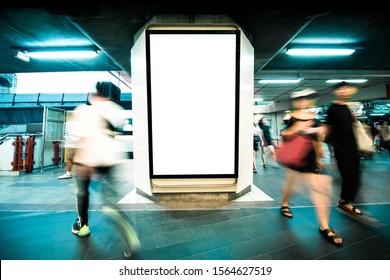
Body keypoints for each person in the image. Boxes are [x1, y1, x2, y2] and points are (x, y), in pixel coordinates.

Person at [69, 82, 140, 257]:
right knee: (109, 198)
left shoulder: (84, 110)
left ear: (94, 93)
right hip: (110, 159)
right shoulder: (114, 108)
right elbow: (117, 131)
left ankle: (83, 226)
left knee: (82, 193)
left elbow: (80, 139)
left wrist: (73, 163)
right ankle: (119, 218)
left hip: (88, 158)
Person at [279, 88, 343, 247]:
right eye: (300, 98)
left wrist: (319, 155)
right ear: (296, 101)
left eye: (306, 98)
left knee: (319, 189)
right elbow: (284, 134)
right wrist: (297, 129)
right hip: (295, 156)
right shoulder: (290, 116)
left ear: (310, 101)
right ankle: (284, 203)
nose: (303, 101)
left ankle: (324, 226)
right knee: (291, 184)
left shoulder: (314, 118)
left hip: (310, 158)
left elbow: (316, 139)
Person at [325, 81, 363, 216]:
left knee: (356, 175)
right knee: (348, 174)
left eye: (347, 89)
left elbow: (353, 128)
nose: (345, 91)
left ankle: (344, 200)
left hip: (353, 147)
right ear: (337, 92)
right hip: (341, 147)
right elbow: (328, 128)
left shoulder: (348, 108)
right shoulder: (333, 108)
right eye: (342, 89)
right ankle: (344, 201)